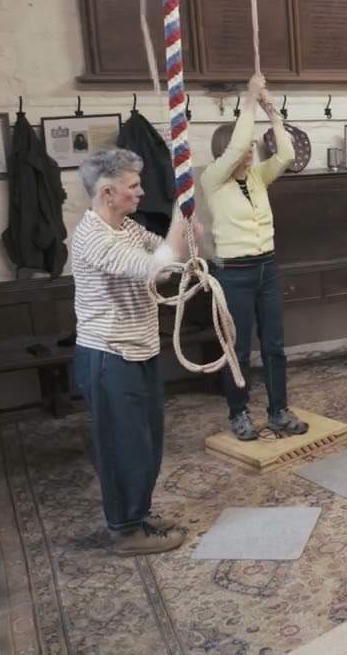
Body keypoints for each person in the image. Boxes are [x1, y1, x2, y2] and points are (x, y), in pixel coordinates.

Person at [70, 148, 197, 555]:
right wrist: (182, 210)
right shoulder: (92, 236)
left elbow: (170, 255)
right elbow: (156, 268)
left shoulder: (129, 228)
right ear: (108, 193)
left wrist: (188, 230)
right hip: (108, 355)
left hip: (138, 349)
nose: (141, 192)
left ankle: (137, 512)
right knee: (123, 444)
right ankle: (126, 530)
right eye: (133, 186)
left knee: (146, 441)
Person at [201, 74, 306, 441]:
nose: (248, 151)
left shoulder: (258, 178)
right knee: (238, 349)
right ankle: (238, 412)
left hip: (267, 269)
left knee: (275, 346)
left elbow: (289, 155)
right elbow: (240, 143)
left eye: (247, 148)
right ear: (225, 150)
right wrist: (249, 98)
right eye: (240, 147)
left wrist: (272, 113)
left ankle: (278, 411)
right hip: (234, 274)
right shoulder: (213, 179)